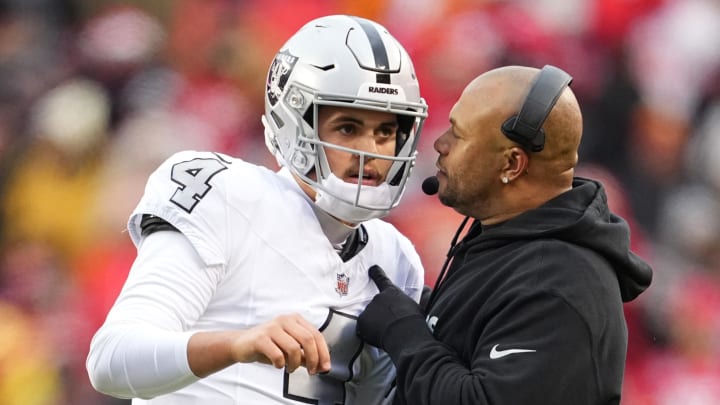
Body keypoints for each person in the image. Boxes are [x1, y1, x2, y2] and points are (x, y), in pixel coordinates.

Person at [86, 15, 428, 404]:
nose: (370, 150)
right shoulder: (229, 196)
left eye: (385, 132)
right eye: (348, 128)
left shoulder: (396, 260)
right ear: (296, 124)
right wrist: (237, 345)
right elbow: (111, 359)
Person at [356, 65, 653, 404]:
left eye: (459, 134)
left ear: (512, 164)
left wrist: (403, 334)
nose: (440, 144)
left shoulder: (558, 282)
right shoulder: (507, 237)